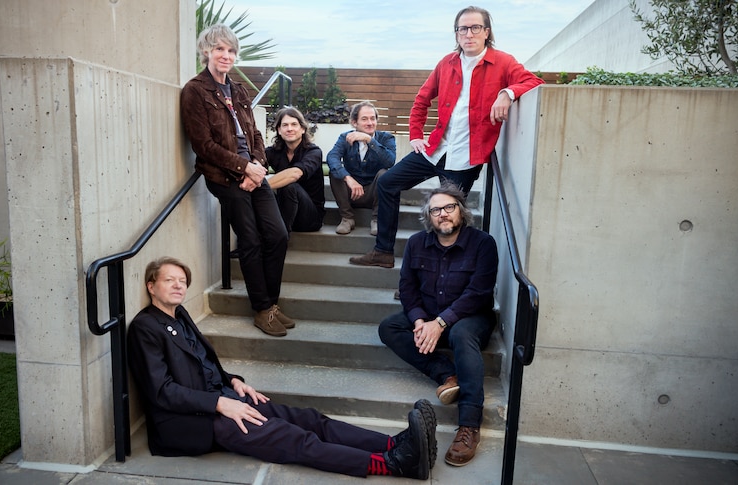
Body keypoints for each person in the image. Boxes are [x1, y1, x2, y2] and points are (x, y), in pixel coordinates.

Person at [128, 257, 438, 479]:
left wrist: (234, 382)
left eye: (182, 281)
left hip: (221, 398)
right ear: (151, 286)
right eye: (170, 280)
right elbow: (161, 392)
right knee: (291, 438)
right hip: (191, 419)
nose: (179, 286)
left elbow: (202, 363)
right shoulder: (145, 328)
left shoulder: (179, 314)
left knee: (310, 419)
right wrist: (220, 403)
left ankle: (393, 443)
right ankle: (394, 463)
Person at [350, 6, 543, 268]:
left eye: (475, 27)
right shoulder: (447, 63)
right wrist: (416, 135)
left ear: (487, 32)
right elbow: (421, 100)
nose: (469, 34)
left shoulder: (503, 62)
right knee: (387, 182)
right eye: (462, 28)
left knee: (445, 217)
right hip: (435, 149)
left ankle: (429, 277)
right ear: (456, 33)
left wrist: (506, 93)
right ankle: (383, 251)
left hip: (466, 157)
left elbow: (534, 82)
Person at [180, 24, 292, 338]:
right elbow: (203, 146)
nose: (226, 56)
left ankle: (271, 304)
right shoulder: (195, 90)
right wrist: (244, 169)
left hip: (253, 173)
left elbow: (255, 134)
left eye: (230, 50)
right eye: (219, 49)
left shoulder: (238, 89)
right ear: (206, 51)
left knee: (278, 235)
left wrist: (257, 164)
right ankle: (261, 309)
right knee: (251, 240)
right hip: (224, 177)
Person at [378, 183, 498, 467]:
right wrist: (420, 320)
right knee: (389, 327)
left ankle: (469, 426)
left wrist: (441, 323)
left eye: (449, 207)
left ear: (461, 211)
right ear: (428, 216)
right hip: (430, 316)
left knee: (461, 332)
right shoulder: (417, 243)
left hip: (471, 318)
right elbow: (407, 289)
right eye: (436, 210)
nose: (442, 214)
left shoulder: (483, 243)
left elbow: (478, 294)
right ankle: (447, 375)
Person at [326, 101, 396, 235]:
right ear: (354, 122)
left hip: (374, 192)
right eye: (364, 119)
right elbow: (332, 157)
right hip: (351, 192)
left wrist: (370, 141)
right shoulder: (345, 138)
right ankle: (347, 218)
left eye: (372, 118)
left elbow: (390, 161)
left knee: (385, 173)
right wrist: (348, 178)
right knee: (335, 172)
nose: (370, 123)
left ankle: (376, 219)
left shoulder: (386, 138)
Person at [265, 107, 325, 234]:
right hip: (283, 211)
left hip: (309, 217)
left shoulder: (314, 152)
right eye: (285, 125)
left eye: (294, 124)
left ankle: (279, 239)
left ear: (302, 129)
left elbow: (295, 174)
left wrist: (262, 186)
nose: (289, 129)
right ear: (279, 130)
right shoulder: (273, 152)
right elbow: (256, 164)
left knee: (290, 186)